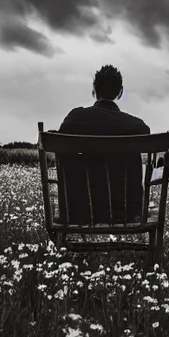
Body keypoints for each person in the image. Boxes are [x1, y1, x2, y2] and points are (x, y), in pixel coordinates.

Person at [56, 64, 151, 223]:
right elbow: (146, 132)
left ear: (94, 89)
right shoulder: (137, 127)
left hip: (80, 212)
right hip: (126, 213)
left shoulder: (75, 119)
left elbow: (62, 133)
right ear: (120, 91)